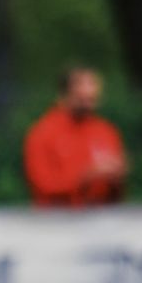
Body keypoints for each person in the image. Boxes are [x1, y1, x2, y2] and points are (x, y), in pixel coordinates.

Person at [23, 67, 128, 206]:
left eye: (91, 98)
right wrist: (87, 176)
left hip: (101, 214)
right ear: (64, 94)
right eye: (81, 96)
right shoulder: (43, 133)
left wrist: (116, 177)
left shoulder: (106, 131)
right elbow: (43, 186)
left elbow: (117, 194)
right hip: (59, 216)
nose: (88, 96)